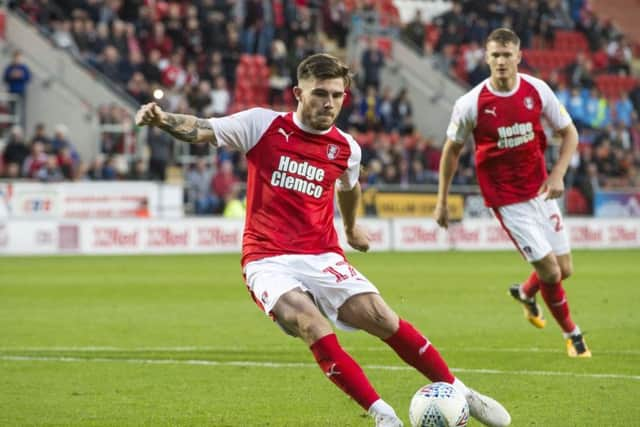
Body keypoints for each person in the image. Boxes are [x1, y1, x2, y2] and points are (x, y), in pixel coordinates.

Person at [135, 53, 511, 427]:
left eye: (336, 94)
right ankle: (385, 417)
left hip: (321, 254)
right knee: (311, 322)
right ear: (298, 93)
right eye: (319, 94)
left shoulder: (346, 148)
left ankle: (460, 392)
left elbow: (350, 186)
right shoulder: (261, 125)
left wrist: (350, 227)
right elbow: (202, 128)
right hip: (267, 259)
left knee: (381, 316)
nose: (329, 103)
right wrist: (163, 119)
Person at [434, 28, 591, 358]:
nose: (501, 61)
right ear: (487, 58)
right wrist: (442, 201)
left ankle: (525, 291)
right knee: (550, 271)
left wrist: (558, 174)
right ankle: (573, 335)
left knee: (565, 269)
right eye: (495, 55)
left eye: (507, 55)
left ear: (519, 57)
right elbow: (451, 150)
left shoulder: (537, 90)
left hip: (541, 189)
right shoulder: (471, 103)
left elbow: (569, 133)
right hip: (506, 200)